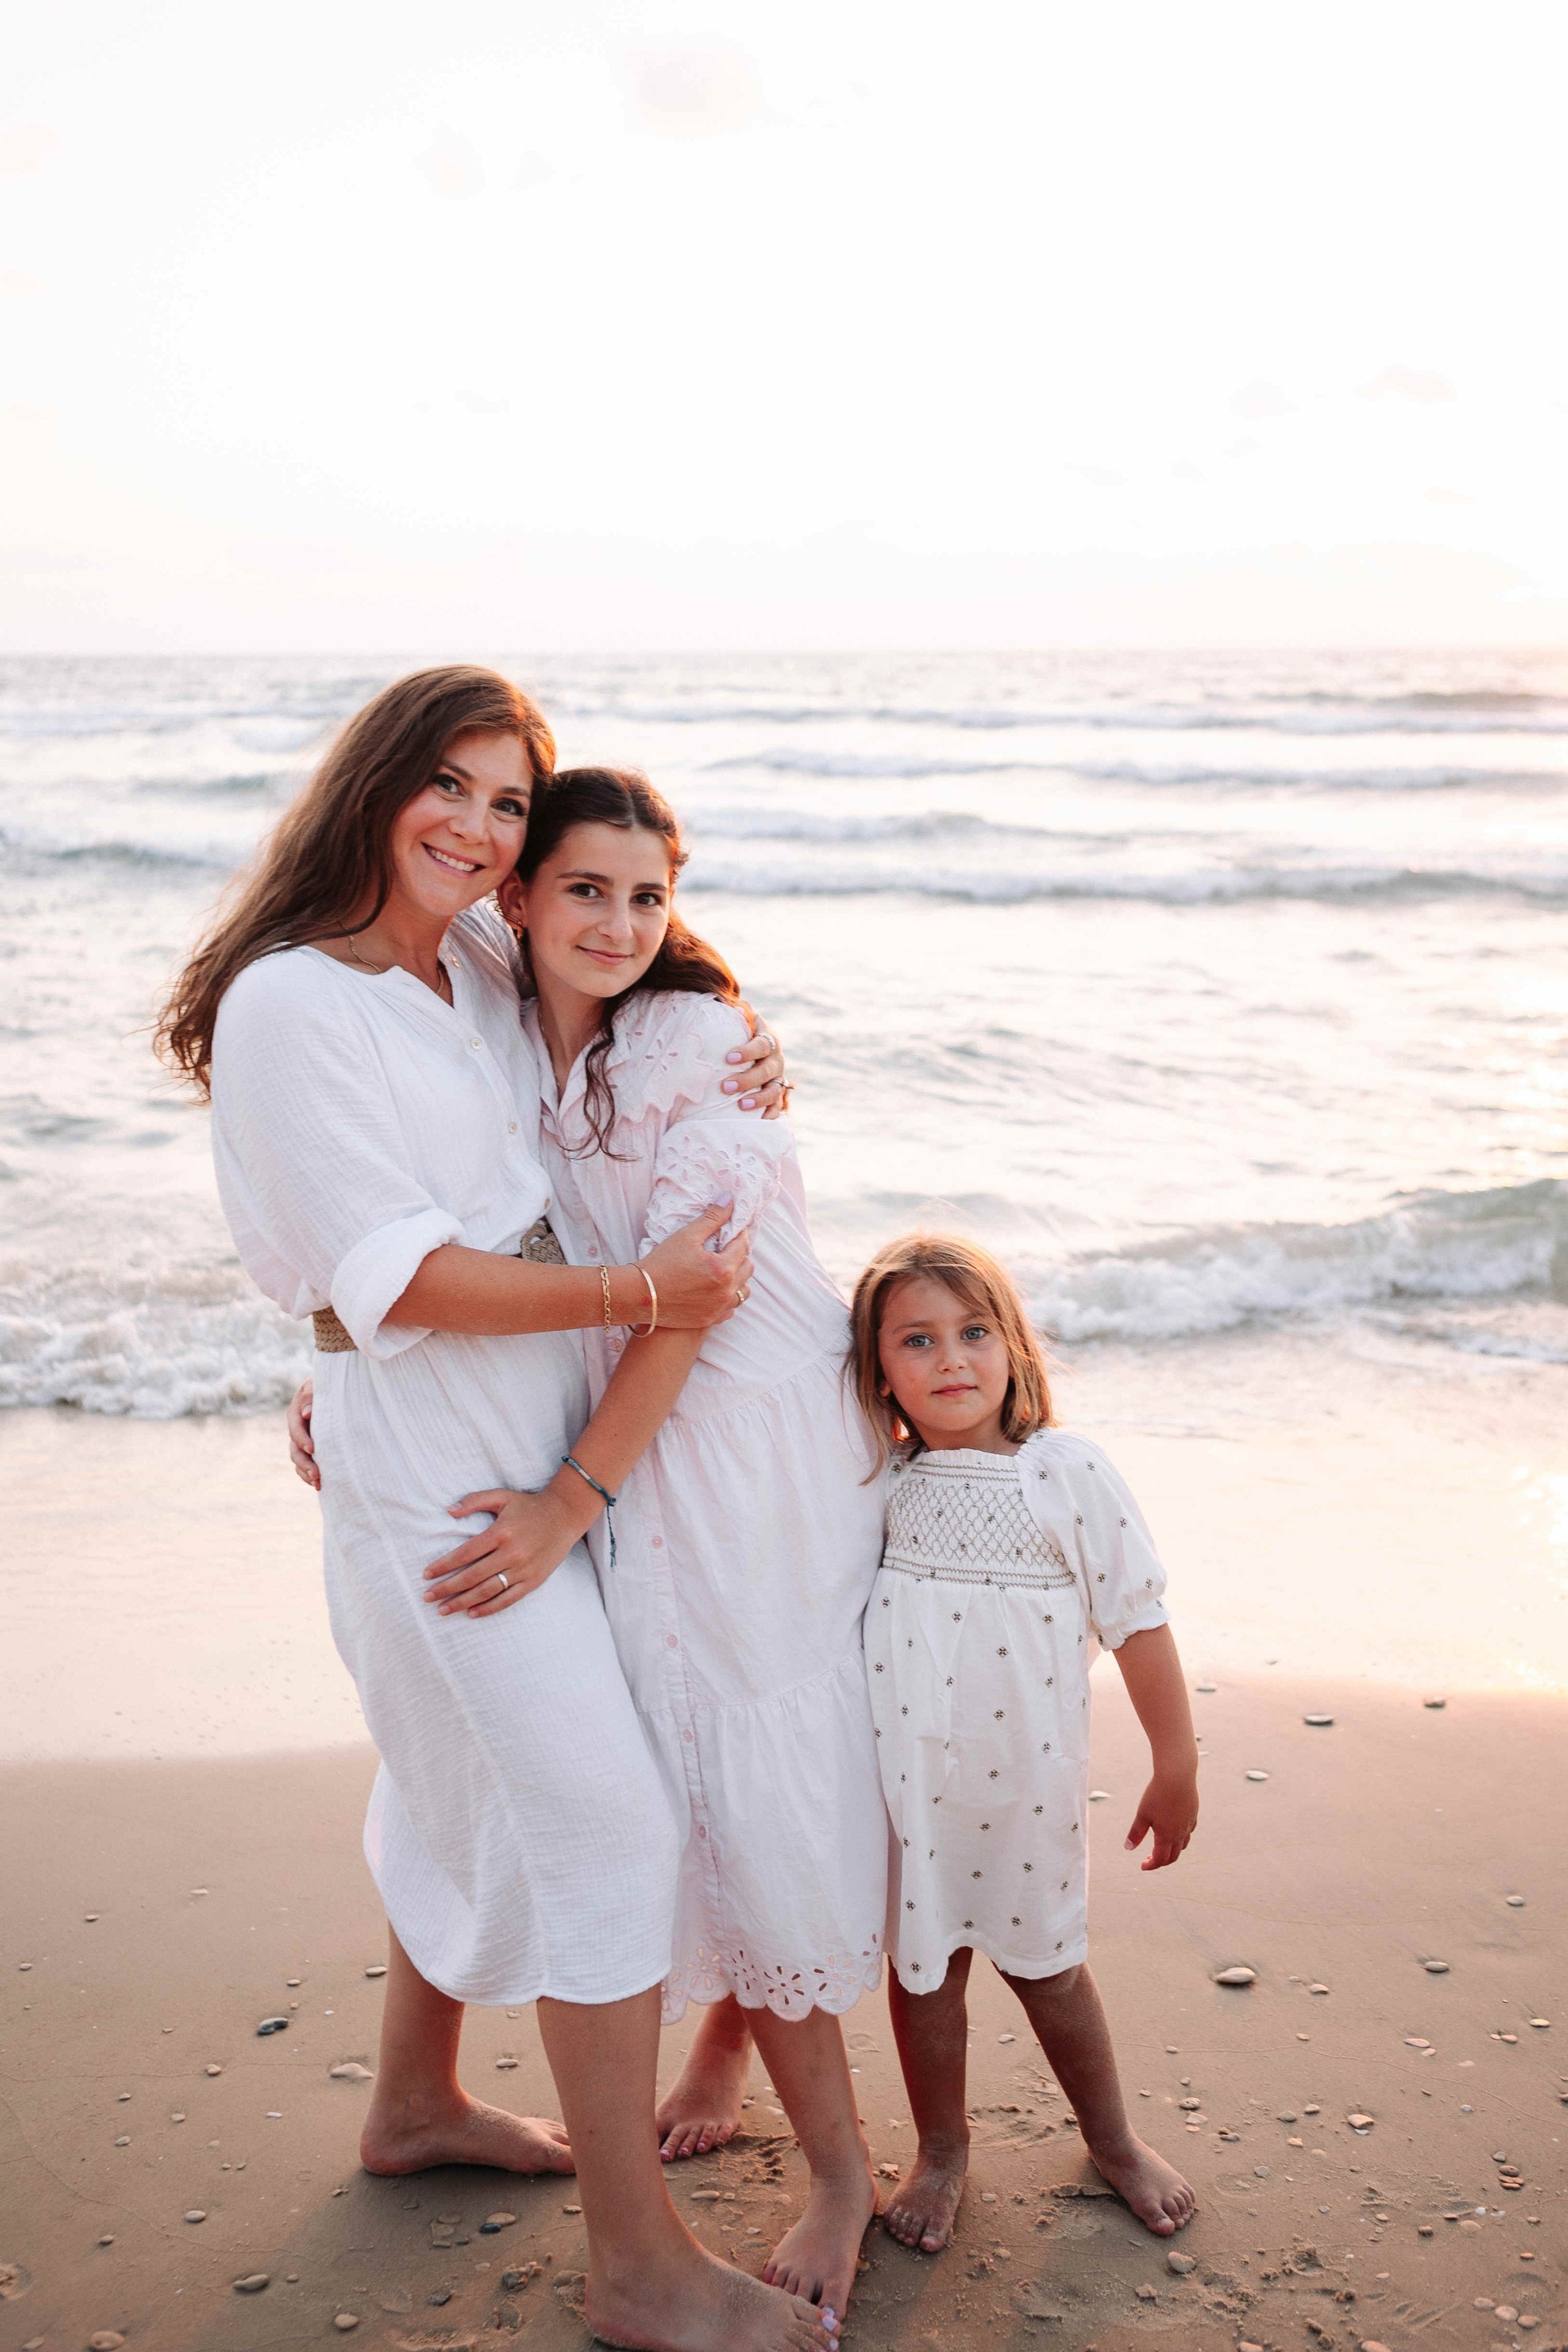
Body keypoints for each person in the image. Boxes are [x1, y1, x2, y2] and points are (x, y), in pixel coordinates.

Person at [158, 666, 835, 2352]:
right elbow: (400, 1271)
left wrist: (743, 1040)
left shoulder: (450, 953)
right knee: (601, 1822)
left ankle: (411, 2105)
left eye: (505, 801)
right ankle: (637, 2261)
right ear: (374, 785)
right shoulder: (293, 1002)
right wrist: (642, 1292)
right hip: (447, 1469)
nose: (476, 826)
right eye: (447, 788)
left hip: (516, 1437)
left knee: (461, 1772)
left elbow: (603, 966)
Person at [418, 766, 889, 2328]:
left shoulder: (690, 1048)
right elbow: (422, 1214)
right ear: (518, 898)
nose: (620, 923)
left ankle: (840, 2173)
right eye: (585, 890)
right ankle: (724, 2045)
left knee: (742, 1777)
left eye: (649, 895)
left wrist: (571, 1499)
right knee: (671, 1759)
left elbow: (688, 1305)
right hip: (635, 1431)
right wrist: (337, 1369)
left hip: (747, 1452)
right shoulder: (491, 1005)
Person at [850, 1232, 1199, 2254]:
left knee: (1052, 1972)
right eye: (916, 1340)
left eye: (973, 1332)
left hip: (1027, 1794)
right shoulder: (881, 1481)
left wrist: (1176, 1763)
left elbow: (1137, 1618)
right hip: (911, 1796)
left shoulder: (1066, 1473)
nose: (950, 1359)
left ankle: (1114, 2140)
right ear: (879, 1372)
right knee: (924, 1979)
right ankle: (943, 2151)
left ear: (1015, 1348)